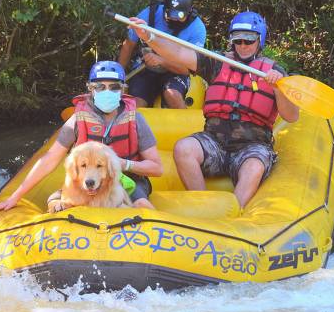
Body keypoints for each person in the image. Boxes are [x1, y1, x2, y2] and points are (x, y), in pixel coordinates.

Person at [128, 11, 299, 208]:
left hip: (252, 146)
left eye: (249, 40)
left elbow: (291, 116)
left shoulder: (275, 72)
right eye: (238, 39)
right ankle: (205, 206)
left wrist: (278, 88)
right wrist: (148, 36)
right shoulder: (216, 63)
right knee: (183, 148)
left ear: (259, 40)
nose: (243, 45)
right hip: (214, 143)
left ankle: (235, 213)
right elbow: (178, 54)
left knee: (254, 166)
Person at [0, 60, 163, 213]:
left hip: (128, 179)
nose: (107, 91)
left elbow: (157, 168)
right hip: (87, 179)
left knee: (141, 204)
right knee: (55, 201)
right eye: (100, 87)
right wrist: (15, 197)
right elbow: (49, 158)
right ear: (91, 89)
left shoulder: (136, 119)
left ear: (123, 89)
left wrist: (123, 164)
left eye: (114, 87)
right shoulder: (77, 120)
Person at [118, 0, 207, 109]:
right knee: (137, 104)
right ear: (164, 8)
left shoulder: (197, 28)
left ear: (189, 11)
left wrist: (162, 61)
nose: (174, 19)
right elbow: (128, 45)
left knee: (172, 95)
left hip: (175, 70)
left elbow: (188, 70)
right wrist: (118, 76)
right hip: (145, 68)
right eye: (170, 14)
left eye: (180, 16)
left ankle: (189, 126)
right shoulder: (149, 14)